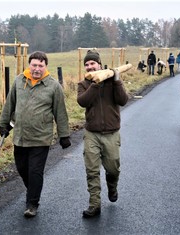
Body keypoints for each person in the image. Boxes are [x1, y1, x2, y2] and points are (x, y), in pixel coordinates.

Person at [0, 51, 71, 218]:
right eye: (34, 65)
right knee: (23, 169)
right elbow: (9, 104)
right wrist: (3, 124)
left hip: (41, 137)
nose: (37, 68)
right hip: (20, 136)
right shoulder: (18, 81)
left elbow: (60, 112)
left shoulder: (53, 86)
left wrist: (64, 135)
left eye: (40, 65)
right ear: (29, 65)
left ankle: (32, 203)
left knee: (35, 171)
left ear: (45, 67)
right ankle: (33, 191)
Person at [77, 50, 129, 218]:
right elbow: (83, 102)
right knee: (91, 171)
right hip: (91, 133)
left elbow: (123, 100)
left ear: (99, 63)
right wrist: (95, 84)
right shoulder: (83, 84)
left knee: (113, 169)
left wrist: (116, 80)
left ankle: (112, 186)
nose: (90, 67)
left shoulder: (112, 80)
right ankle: (94, 205)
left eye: (92, 63)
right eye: (87, 65)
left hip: (111, 133)